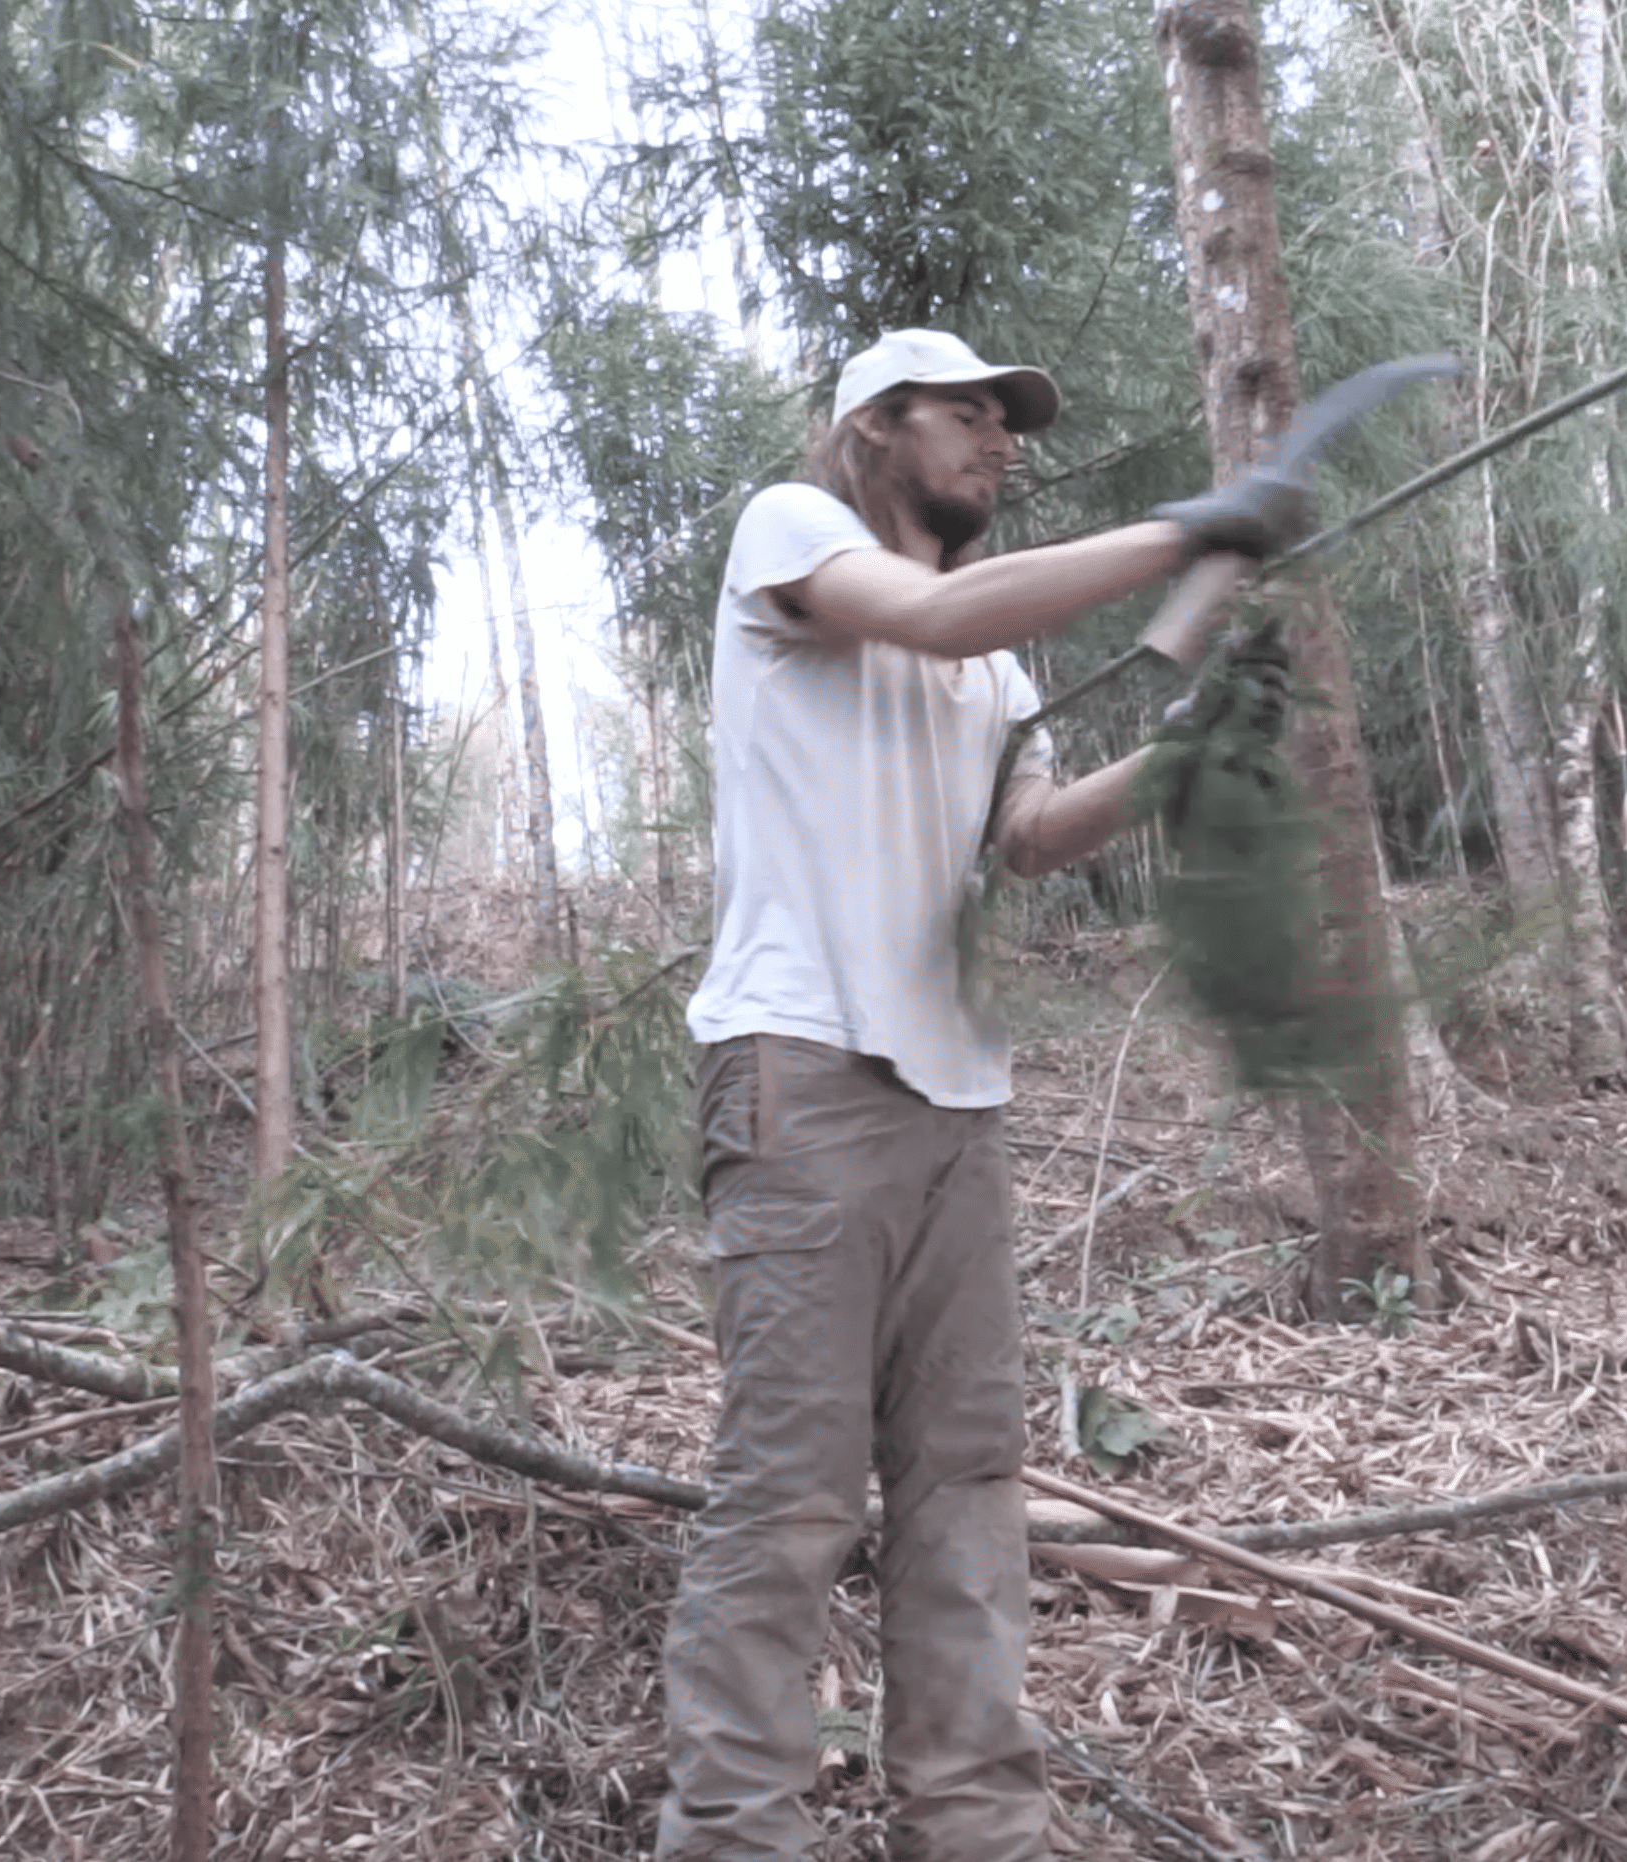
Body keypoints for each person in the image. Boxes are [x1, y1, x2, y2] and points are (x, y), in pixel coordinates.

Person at [658, 328, 1305, 1862]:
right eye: (968, 415)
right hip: (801, 1072)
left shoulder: (999, 664)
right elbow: (935, 616)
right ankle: (738, 1838)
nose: (998, 442)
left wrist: (1181, 754)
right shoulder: (793, 533)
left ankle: (980, 1832)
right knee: (790, 1500)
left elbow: (1024, 835)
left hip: (956, 1100)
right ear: (874, 427)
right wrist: (1188, 530)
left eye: (1010, 424)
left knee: (965, 1497)